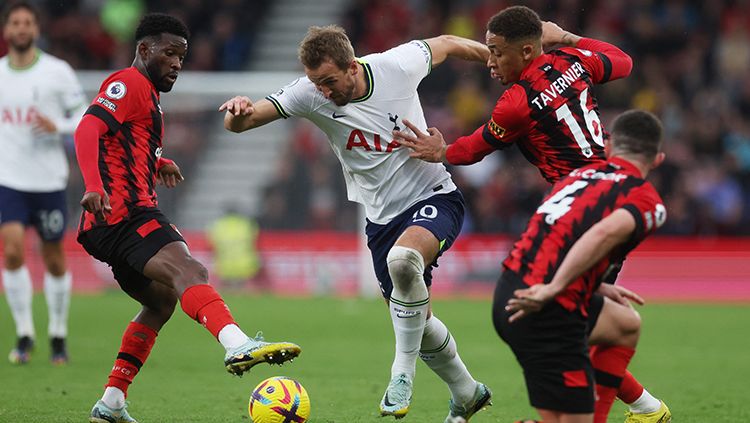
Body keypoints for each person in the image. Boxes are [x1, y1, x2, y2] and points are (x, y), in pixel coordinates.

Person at [393, 6, 671, 423]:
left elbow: (478, 147)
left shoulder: (517, 103)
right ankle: (643, 406)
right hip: (606, 192)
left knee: (561, 322)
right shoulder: (574, 60)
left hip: (583, 211)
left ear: (525, 51)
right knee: (581, 318)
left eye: (496, 53)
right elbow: (624, 62)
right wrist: (568, 38)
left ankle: (637, 408)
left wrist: (443, 151)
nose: (489, 62)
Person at [220, 25, 492, 422]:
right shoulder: (309, 92)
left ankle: (401, 373)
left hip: (434, 196)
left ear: (352, 67)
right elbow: (244, 122)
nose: (324, 92)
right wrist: (236, 112)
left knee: (404, 262)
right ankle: (467, 393)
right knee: (419, 319)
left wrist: (496, 60)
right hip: (380, 219)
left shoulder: (396, 65)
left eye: (329, 81)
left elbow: (449, 44)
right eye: (317, 83)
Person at [74, 13, 300, 423]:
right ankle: (236, 343)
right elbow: (88, 129)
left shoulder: (148, 94)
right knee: (190, 269)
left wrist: (157, 160)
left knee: (160, 303)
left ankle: (111, 402)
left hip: (114, 220)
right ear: (144, 50)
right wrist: (93, 185)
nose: (178, 63)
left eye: (183, 55)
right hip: (123, 213)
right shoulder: (127, 84)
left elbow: (123, 141)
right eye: (170, 53)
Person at [497, 109, 667, 423]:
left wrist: (595, 285)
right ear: (657, 159)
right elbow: (602, 234)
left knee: (626, 324)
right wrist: (556, 287)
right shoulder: (645, 200)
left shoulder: (576, 177)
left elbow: (548, 237)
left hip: (509, 291)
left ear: (610, 147)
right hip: (547, 307)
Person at [0, 1, 86, 365]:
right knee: (14, 251)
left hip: (49, 179)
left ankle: (58, 333)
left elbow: (83, 115)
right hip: (9, 179)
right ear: (7, 30)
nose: (21, 28)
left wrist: (60, 126)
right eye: (15, 23)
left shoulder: (57, 72)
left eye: (27, 23)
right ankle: (24, 333)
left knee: (53, 259)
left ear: (36, 29)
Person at [206, 204, 262, 290]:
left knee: (226, 294)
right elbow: (255, 241)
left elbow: (211, 245)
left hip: (224, 264)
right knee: (243, 292)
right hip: (243, 264)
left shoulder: (218, 225)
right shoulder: (246, 224)